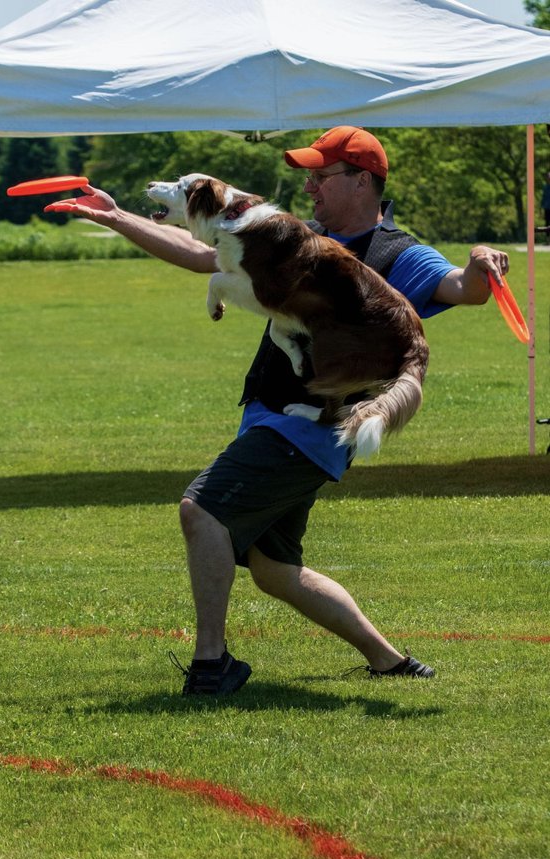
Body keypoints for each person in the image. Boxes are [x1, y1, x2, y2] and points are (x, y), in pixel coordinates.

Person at [50, 126, 509, 695]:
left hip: (310, 428)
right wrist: (117, 217)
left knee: (202, 511)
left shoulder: (400, 253)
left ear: (362, 180)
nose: (310, 187)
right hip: (270, 413)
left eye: (322, 176)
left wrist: (481, 262)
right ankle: (390, 661)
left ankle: (212, 664)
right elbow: (203, 254)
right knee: (273, 569)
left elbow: (462, 288)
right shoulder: (300, 235)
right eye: (309, 176)